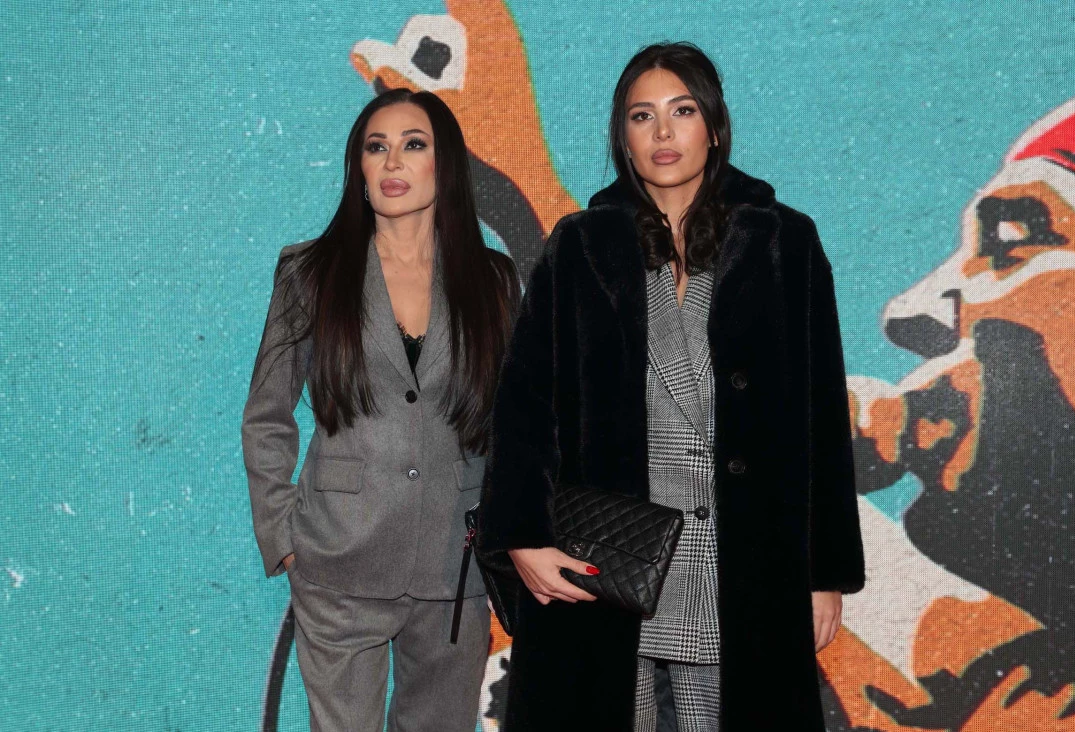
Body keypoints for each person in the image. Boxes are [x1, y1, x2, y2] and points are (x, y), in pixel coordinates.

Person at [476, 43, 865, 731]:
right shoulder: (581, 245)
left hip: (743, 564)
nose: (662, 131)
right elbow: (525, 409)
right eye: (641, 115)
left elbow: (823, 418)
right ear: (622, 137)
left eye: (682, 111)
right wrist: (522, 537)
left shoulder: (784, 242)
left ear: (714, 126)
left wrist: (824, 574)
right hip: (606, 561)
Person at [242, 88, 519, 732]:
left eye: (413, 144)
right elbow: (267, 415)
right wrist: (284, 537)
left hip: (456, 568)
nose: (393, 161)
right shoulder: (310, 274)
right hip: (336, 560)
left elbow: (516, 424)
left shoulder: (496, 282)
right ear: (359, 168)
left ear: (445, 165)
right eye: (376, 147)